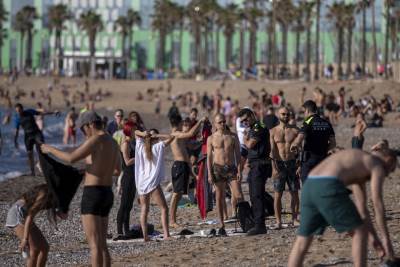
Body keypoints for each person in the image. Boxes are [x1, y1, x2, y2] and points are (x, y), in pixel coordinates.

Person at [287, 148, 398, 267]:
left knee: (303, 240)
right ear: (389, 160)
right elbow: (377, 204)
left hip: (309, 185)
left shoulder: (359, 162)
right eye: (391, 170)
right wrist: (386, 240)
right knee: (359, 232)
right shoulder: (377, 164)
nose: (387, 174)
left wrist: (374, 238)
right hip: (328, 184)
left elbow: (362, 210)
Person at [41, 111, 121, 267]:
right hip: (107, 193)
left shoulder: (95, 140)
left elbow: (71, 159)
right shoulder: (112, 141)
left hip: (93, 194)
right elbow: (117, 170)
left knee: (94, 245)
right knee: (103, 244)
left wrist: (49, 149)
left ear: (89, 125)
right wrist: (94, 169)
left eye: (83, 129)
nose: (83, 133)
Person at [207, 114, 243, 235]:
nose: (222, 124)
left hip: (231, 168)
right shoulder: (211, 138)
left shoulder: (233, 136)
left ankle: (243, 218)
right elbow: (209, 158)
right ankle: (221, 222)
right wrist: (209, 174)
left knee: (238, 195)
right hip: (218, 168)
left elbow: (238, 155)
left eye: (224, 121)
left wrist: (239, 170)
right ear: (215, 124)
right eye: (220, 122)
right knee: (219, 196)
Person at [135, 129, 174, 241]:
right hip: (152, 183)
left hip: (142, 183)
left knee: (144, 209)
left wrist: (144, 134)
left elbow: (136, 133)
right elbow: (171, 137)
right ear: (155, 138)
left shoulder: (141, 146)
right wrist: (158, 134)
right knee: (164, 208)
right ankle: (166, 235)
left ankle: (145, 236)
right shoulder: (158, 147)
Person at [5, 184, 57, 267]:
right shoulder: (44, 193)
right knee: (34, 249)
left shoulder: (56, 194)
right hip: (17, 213)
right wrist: (25, 239)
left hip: (26, 215)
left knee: (44, 248)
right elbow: (30, 216)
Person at [238, 108, 271, 235]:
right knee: (254, 194)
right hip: (255, 164)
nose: (245, 122)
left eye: (246, 119)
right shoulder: (253, 128)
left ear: (252, 115)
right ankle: (258, 223)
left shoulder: (258, 127)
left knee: (257, 195)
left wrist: (245, 138)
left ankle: (260, 225)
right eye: (243, 121)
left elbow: (250, 145)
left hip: (260, 164)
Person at [169, 114, 205, 227]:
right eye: (183, 123)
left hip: (184, 165)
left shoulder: (181, 137)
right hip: (178, 165)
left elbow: (192, 146)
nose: (184, 125)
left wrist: (201, 141)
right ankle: (171, 221)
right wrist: (200, 121)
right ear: (179, 123)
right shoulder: (175, 134)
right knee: (175, 194)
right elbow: (190, 134)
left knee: (179, 194)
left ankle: (172, 220)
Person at [290, 100, 336, 183]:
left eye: (304, 112)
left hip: (309, 160)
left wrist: (295, 144)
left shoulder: (308, 121)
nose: (304, 114)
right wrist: (324, 150)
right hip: (322, 159)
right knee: (319, 186)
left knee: (307, 187)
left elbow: (300, 137)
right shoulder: (326, 123)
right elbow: (333, 143)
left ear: (307, 110)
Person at [270, 107, 300, 228]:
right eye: (283, 114)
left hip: (292, 163)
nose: (285, 116)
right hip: (279, 164)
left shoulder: (296, 130)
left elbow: (301, 150)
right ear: (278, 115)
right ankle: (278, 221)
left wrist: (300, 165)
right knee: (278, 194)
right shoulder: (273, 131)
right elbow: (272, 150)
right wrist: (273, 167)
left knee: (294, 192)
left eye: (287, 114)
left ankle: (295, 218)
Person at [14, 103, 59, 176]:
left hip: (36, 133)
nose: (18, 112)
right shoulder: (17, 118)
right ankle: (32, 172)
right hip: (28, 137)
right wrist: (15, 140)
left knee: (42, 150)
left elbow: (42, 113)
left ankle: (41, 166)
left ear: (22, 109)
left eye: (19, 110)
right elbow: (16, 130)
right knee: (29, 154)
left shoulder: (29, 112)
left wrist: (53, 112)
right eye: (17, 111)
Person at [114, 121, 137, 241]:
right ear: (129, 130)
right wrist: (139, 156)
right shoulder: (125, 144)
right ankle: (119, 230)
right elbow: (127, 161)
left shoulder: (133, 143)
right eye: (134, 129)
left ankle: (126, 229)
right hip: (127, 175)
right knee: (124, 204)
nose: (136, 131)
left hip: (133, 175)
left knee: (129, 204)